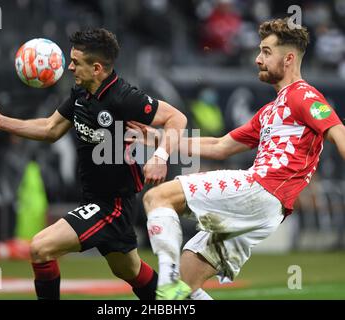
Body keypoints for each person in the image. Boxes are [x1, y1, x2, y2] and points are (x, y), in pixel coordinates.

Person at [0, 28, 187, 300]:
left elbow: (177, 118)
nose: (68, 67)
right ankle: (182, 303)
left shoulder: (123, 97)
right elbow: (50, 128)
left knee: (40, 248)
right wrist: (0, 121)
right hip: (96, 199)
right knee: (129, 270)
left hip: (112, 206)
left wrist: (160, 157)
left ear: (96, 68)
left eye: (75, 62)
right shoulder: (81, 94)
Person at [133, 18, 345, 300]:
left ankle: (167, 279)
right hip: (266, 208)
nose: (258, 59)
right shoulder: (271, 110)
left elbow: (338, 132)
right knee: (186, 288)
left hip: (261, 188)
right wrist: (162, 139)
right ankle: (174, 284)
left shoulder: (303, 96)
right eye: (260, 51)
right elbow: (220, 146)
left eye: (267, 52)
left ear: (289, 58)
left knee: (157, 198)